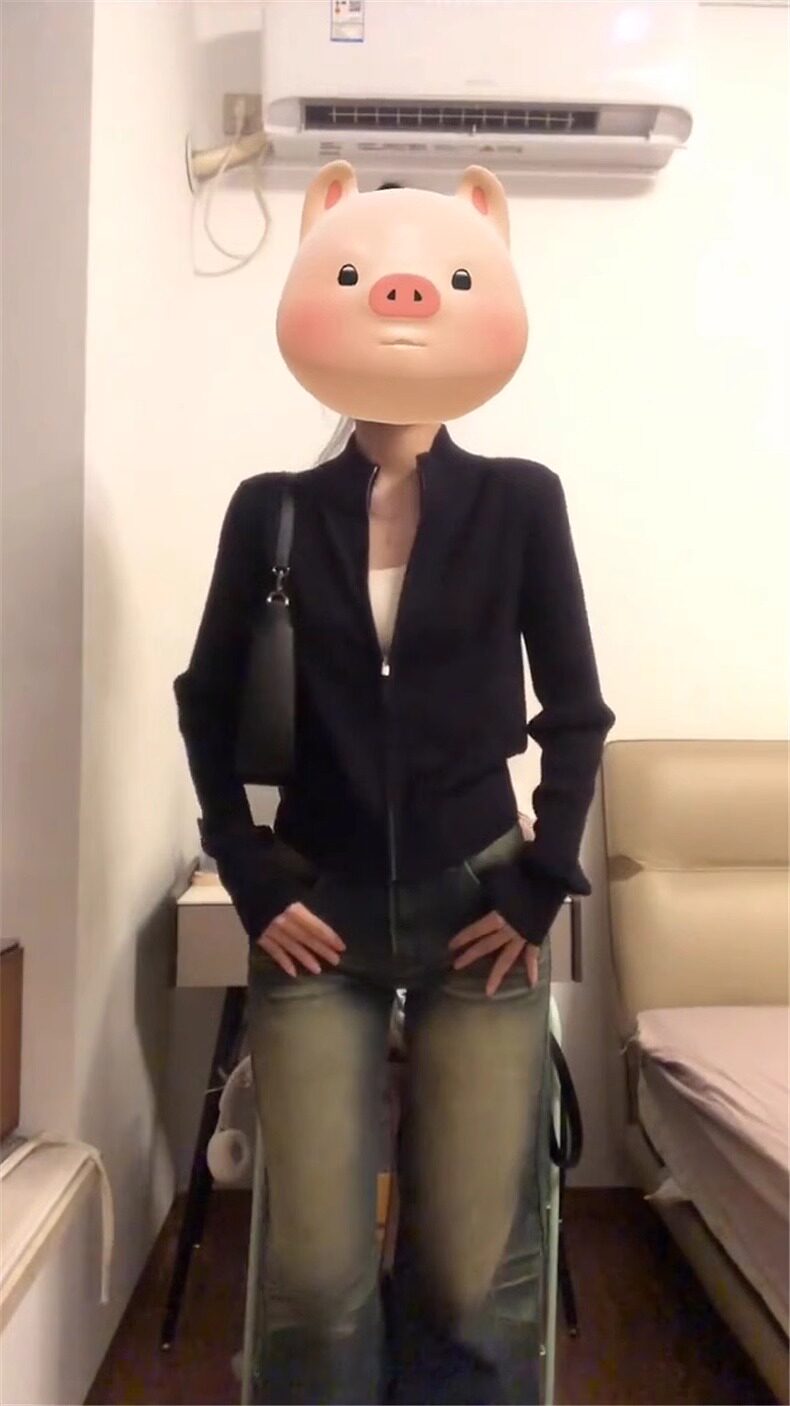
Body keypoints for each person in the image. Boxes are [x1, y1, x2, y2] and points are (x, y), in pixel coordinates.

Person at [173, 163, 615, 1405]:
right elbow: (205, 701)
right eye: (364, 274)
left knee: (471, 1272)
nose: (403, 299)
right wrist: (250, 872)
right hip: (318, 914)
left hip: (479, 906)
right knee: (315, 1274)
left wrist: (540, 881)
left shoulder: (520, 501)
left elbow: (574, 712)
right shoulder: (270, 512)